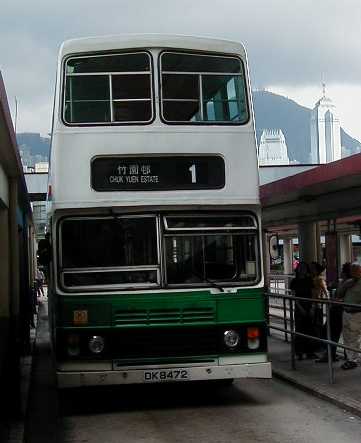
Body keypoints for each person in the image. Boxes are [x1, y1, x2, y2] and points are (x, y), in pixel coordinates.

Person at [316, 262, 352, 363]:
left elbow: (344, 297)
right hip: (338, 310)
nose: (340, 272)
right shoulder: (344, 282)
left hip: (338, 310)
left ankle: (333, 355)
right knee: (337, 334)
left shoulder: (348, 283)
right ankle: (336, 355)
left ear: (345, 272)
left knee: (332, 333)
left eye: (342, 270)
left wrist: (336, 300)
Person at [290, 262, 317, 359]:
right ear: (298, 269)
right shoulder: (294, 281)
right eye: (301, 268)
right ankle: (299, 352)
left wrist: (313, 307)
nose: (303, 270)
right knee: (299, 329)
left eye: (304, 268)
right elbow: (294, 296)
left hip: (309, 306)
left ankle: (310, 351)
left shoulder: (309, 280)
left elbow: (313, 294)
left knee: (310, 329)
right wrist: (300, 307)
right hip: (299, 307)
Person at [340, 262, 361, 370]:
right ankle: (350, 358)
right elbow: (338, 294)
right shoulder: (348, 282)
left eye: (356, 270)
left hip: (356, 313)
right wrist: (344, 284)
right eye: (352, 270)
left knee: (354, 336)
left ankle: (353, 360)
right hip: (346, 312)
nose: (353, 272)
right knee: (347, 336)